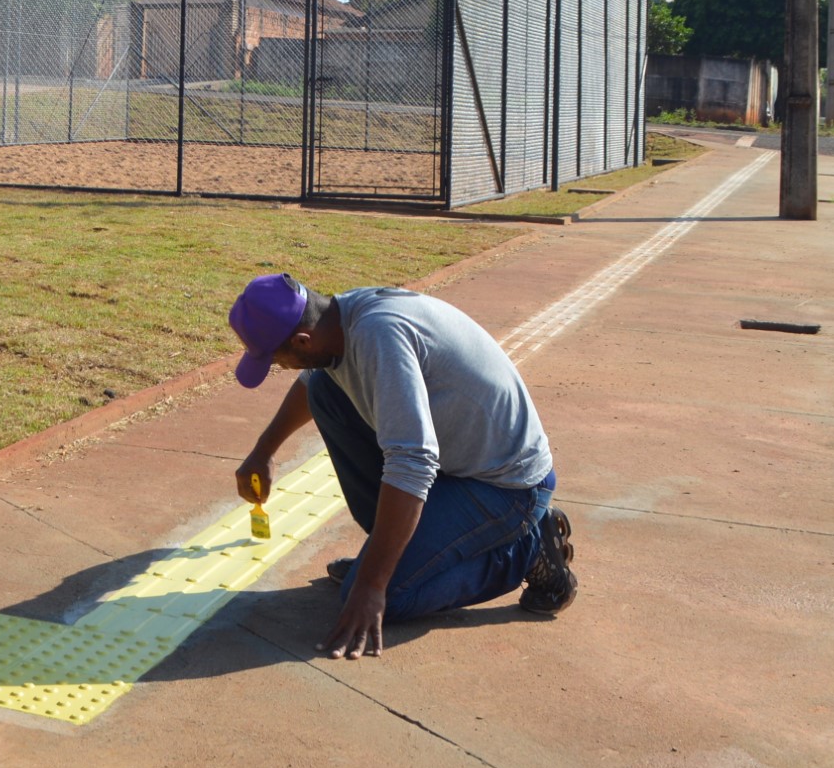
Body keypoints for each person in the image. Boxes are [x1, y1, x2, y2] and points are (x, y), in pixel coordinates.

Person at [230, 273, 576, 659]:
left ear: (302, 340)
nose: (280, 367)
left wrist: (372, 583)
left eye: (277, 360)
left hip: (506, 486)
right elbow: (311, 382)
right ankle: (402, 557)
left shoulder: (381, 336)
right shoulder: (340, 318)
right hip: (457, 463)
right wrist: (264, 451)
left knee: (384, 599)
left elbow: (412, 461)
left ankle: (527, 549)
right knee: (327, 391)